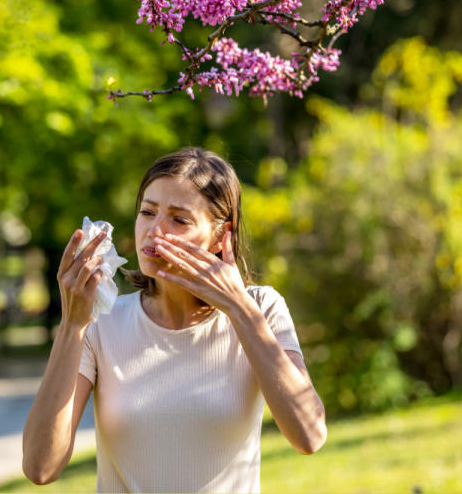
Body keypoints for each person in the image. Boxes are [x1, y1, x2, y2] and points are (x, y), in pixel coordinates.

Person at [22, 147, 326, 493]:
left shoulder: (261, 309)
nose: (153, 230)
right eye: (147, 212)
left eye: (179, 219)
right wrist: (72, 326)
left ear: (219, 236)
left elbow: (310, 435)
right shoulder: (102, 323)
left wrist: (239, 309)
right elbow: (40, 466)